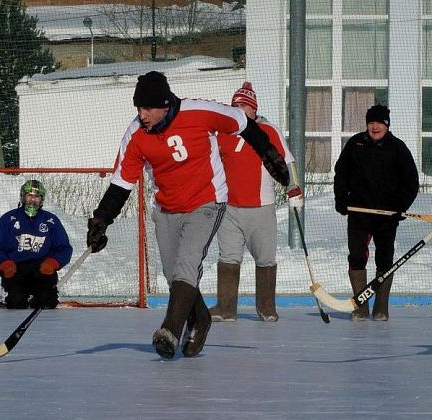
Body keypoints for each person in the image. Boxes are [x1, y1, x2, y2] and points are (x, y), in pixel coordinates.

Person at [86, 71, 290, 360]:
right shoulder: (136, 134)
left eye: (148, 109)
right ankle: (201, 319)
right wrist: (101, 220)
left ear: (166, 104)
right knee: (172, 274)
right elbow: (122, 182)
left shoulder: (199, 112)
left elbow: (243, 122)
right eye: (139, 109)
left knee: (187, 264)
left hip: (207, 201)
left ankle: (170, 330)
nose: (142, 115)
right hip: (167, 208)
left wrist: (269, 155)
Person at [210, 82, 301, 323]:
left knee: (265, 257)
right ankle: (226, 308)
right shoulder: (223, 132)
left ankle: (266, 308)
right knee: (228, 256)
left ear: (253, 109)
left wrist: (293, 187)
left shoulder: (268, 130)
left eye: (242, 105)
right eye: (235, 106)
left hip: (261, 207)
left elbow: (287, 161)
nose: (238, 110)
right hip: (229, 207)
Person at [333, 104, 419, 321]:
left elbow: (411, 182)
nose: (374, 126)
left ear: (387, 125)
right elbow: (340, 173)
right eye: (371, 122)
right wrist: (341, 198)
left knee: (385, 259)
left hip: (387, 215)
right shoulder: (355, 144)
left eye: (379, 122)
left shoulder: (398, 148)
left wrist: (401, 207)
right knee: (356, 256)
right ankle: (360, 306)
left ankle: (381, 307)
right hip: (359, 213)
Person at [0, 180, 73, 309]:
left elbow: (64, 248)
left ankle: (39, 297)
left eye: (37, 197)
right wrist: (5, 264)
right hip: (16, 269)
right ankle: (13, 294)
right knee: (16, 302)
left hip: (42, 269)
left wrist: (52, 263)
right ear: (23, 197)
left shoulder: (51, 220)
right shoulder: (8, 219)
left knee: (46, 303)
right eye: (29, 196)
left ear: (42, 200)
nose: (33, 200)